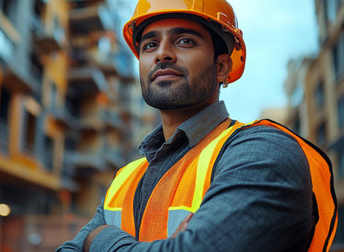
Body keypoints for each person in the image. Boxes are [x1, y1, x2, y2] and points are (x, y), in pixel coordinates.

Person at [58, 0, 337, 251]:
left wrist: (101, 239)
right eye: (149, 45)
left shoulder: (264, 152)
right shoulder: (124, 179)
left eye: (185, 41)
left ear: (222, 68)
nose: (162, 54)